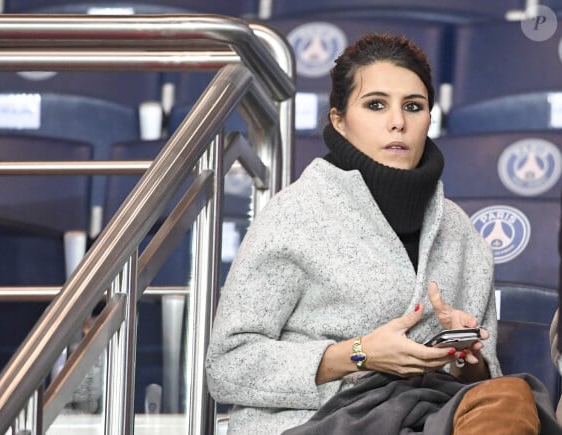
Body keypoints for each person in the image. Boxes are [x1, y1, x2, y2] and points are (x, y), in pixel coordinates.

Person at [206, 33, 560, 434]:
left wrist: (467, 358)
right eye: (376, 105)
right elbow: (229, 365)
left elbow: (476, 382)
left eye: (414, 106)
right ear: (339, 121)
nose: (398, 122)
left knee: (511, 397)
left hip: (428, 417)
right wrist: (360, 354)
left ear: (429, 117)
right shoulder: (294, 214)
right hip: (318, 423)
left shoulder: (461, 230)